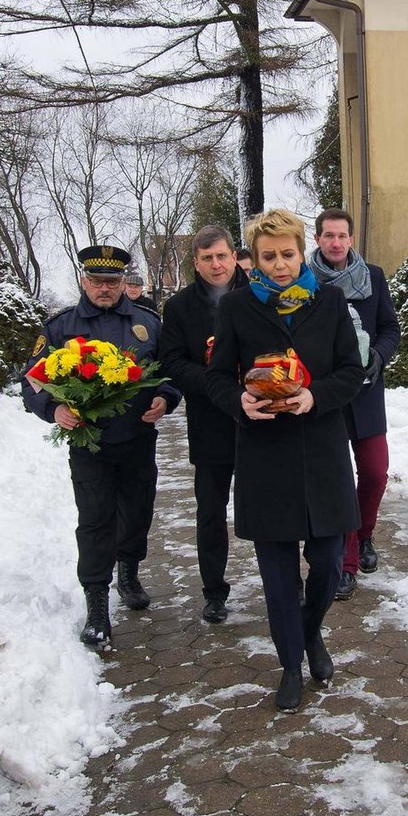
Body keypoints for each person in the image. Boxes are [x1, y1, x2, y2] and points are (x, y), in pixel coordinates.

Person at [205, 209, 365, 711]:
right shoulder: (237, 307)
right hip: (265, 457)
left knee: (328, 564)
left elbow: (351, 370)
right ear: (255, 260)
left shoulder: (330, 300)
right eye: (269, 256)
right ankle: (291, 665)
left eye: (288, 254)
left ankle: (309, 632)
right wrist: (240, 401)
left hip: (322, 452)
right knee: (277, 577)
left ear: (302, 252)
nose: (279, 265)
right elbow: (216, 376)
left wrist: (316, 396)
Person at [21, 244, 180, 648]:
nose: (104, 288)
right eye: (96, 281)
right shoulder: (61, 327)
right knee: (95, 519)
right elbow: (32, 382)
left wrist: (165, 398)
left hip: (138, 439)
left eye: (112, 281)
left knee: (138, 511)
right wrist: (54, 408)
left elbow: (170, 371)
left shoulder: (148, 323)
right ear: (83, 281)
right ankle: (96, 604)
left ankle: (129, 573)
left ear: (123, 282)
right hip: (89, 444)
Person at [158, 225, 249, 625]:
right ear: (195, 263)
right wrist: (217, 383)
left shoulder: (259, 294)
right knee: (211, 511)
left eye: (222, 256)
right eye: (207, 258)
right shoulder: (179, 307)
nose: (216, 264)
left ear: (234, 257)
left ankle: (285, 582)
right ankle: (214, 591)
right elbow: (172, 362)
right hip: (210, 421)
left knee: (271, 506)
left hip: (260, 419)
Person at [309, 208, 401, 601]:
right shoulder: (305, 281)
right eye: (328, 235)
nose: (336, 242)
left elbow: (390, 328)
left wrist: (379, 355)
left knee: (375, 473)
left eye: (342, 235)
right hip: (327, 395)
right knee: (340, 482)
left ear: (351, 239)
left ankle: (364, 535)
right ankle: (346, 565)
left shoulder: (373, 277)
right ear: (317, 239)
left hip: (366, 394)